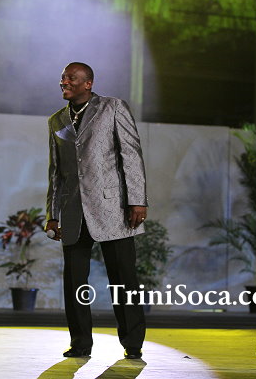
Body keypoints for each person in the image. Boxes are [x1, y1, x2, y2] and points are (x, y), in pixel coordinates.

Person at [45, 62, 148, 359]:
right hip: (73, 212)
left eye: (71, 78)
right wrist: (52, 214)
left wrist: (137, 200)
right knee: (74, 282)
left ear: (88, 83)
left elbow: (131, 155)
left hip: (114, 208)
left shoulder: (113, 107)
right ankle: (80, 343)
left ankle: (133, 343)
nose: (64, 81)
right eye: (63, 77)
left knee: (123, 278)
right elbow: (56, 171)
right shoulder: (56, 120)